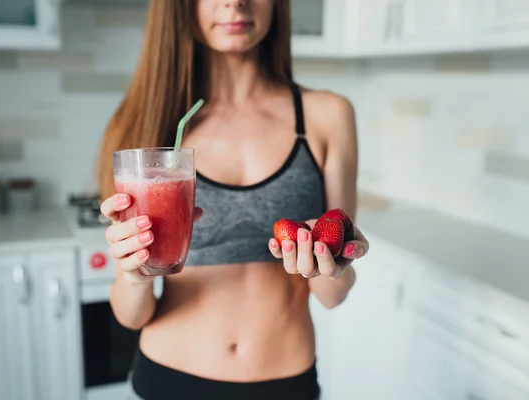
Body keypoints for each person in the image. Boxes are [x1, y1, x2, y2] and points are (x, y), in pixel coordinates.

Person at [97, 0, 370, 399]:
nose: (235, 3)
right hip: (168, 379)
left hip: (284, 382)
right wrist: (133, 275)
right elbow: (130, 314)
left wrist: (333, 264)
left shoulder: (328, 116)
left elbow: (333, 294)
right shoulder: (143, 123)